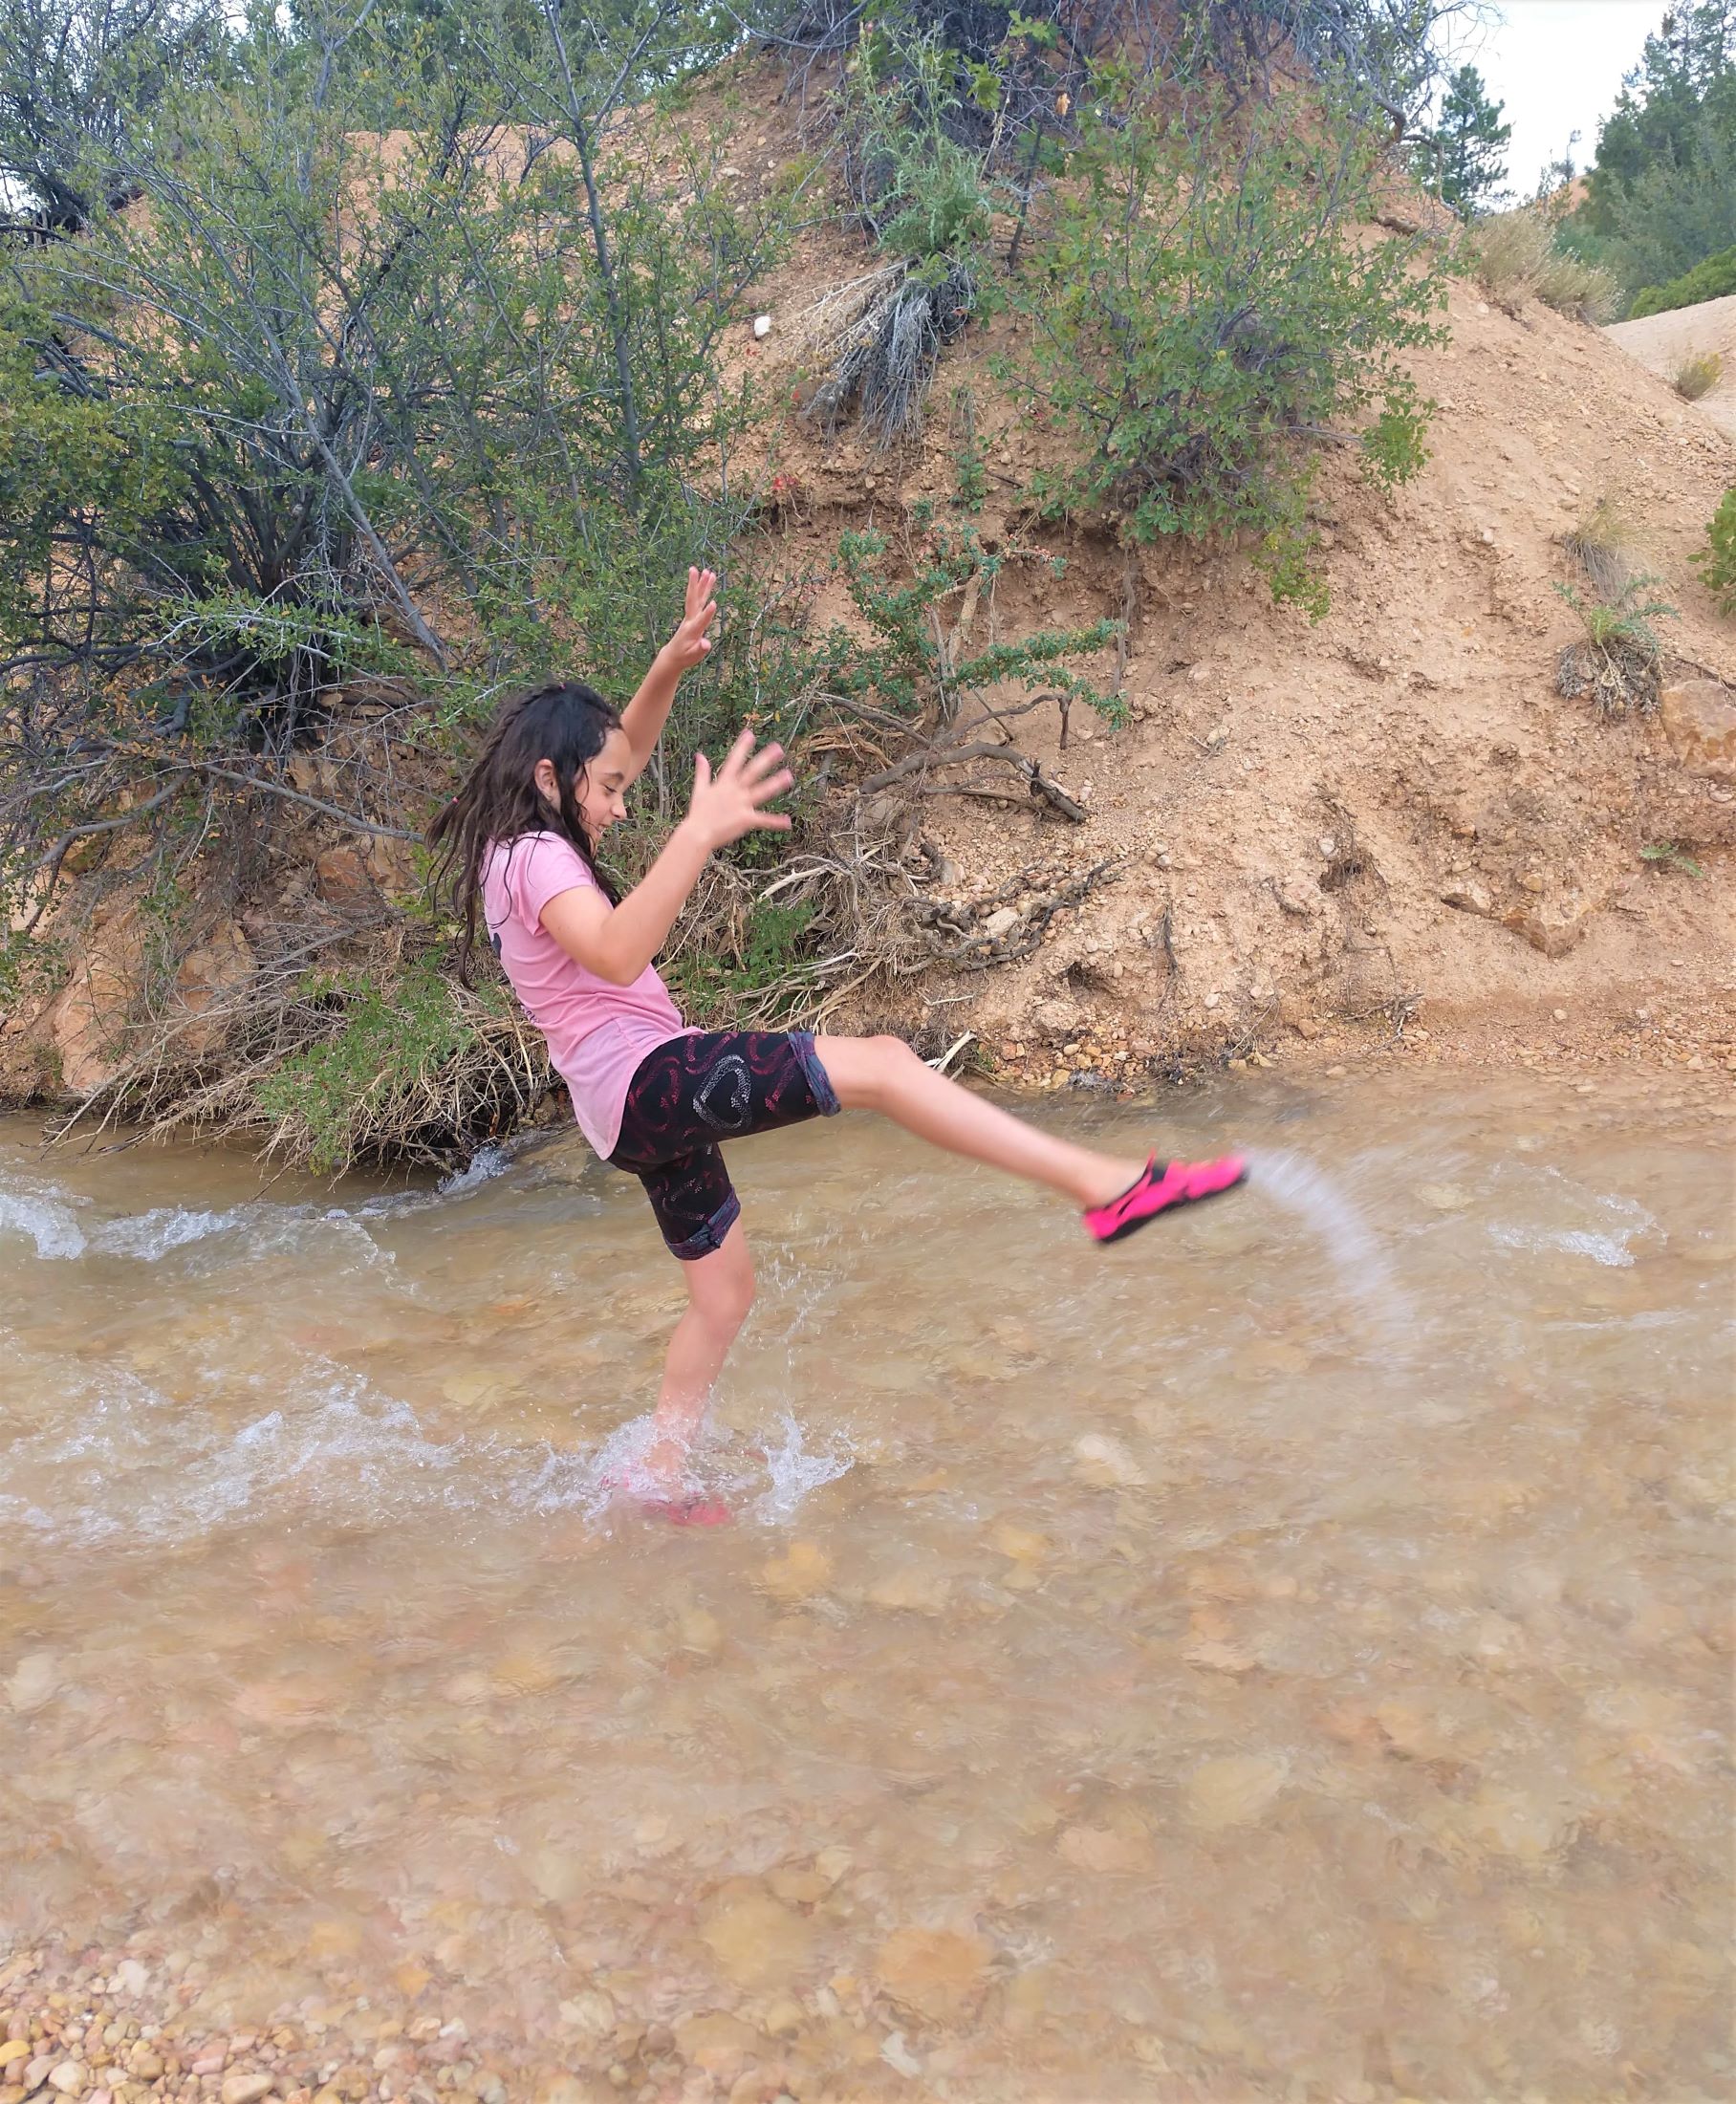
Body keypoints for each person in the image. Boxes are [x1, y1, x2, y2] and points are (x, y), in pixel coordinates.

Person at [429, 568, 1246, 1516]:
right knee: (886, 1065)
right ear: (548, 777)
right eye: (606, 789)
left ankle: (654, 1476)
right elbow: (614, 951)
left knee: (724, 1295)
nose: (618, 802)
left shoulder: (524, 843)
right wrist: (695, 835)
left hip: (627, 1109)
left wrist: (667, 667)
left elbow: (630, 748)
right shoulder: (534, 856)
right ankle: (1102, 1187)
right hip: (647, 1080)